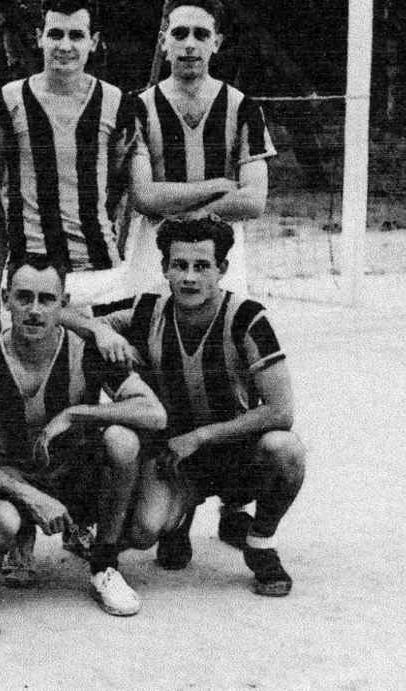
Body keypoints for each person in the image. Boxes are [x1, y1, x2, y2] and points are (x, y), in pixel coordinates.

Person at [106, 217, 304, 596]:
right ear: (164, 267)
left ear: (222, 269)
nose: (190, 278)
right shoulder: (148, 309)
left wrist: (200, 436)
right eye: (180, 265)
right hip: (177, 458)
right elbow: (72, 317)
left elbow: (281, 411)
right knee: (144, 532)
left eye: (202, 266)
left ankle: (260, 541)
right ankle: (181, 520)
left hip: (236, 454)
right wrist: (102, 332)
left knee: (286, 450)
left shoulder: (248, 317)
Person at [0, 256, 165, 615]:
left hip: (75, 475)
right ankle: (20, 535)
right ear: (5, 298)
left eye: (46, 299)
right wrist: (28, 496)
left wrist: (77, 413)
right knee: (1, 526)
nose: (34, 310)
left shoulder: (86, 349)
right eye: (23, 297)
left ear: (64, 303)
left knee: (123, 440)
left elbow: (153, 412)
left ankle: (104, 563)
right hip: (16, 476)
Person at [0, 0, 141, 310]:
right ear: (39, 37)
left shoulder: (116, 102)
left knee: (106, 356)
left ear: (93, 41)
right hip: (31, 270)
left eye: (76, 35)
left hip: (99, 270)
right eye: (55, 34)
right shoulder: (9, 100)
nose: (64, 45)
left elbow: (122, 186)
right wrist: (2, 259)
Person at [126, 0, 276, 297]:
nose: (190, 44)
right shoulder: (138, 107)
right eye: (179, 33)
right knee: (150, 336)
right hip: (155, 253)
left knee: (222, 339)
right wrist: (216, 185)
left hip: (221, 251)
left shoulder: (243, 107)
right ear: (164, 41)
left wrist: (185, 217)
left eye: (201, 34)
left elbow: (253, 200)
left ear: (216, 43)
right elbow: (143, 196)